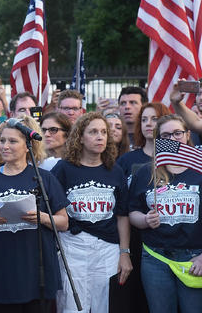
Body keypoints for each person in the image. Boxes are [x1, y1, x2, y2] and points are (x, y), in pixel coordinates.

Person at [0, 115, 69, 313]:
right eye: (2, 141)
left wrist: (43, 217)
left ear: (27, 145)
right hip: (1, 271)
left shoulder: (44, 178)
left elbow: (64, 222)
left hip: (37, 272)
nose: (5, 146)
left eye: (12, 141)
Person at [51, 112, 132, 313]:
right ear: (80, 137)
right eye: (93, 132)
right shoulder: (63, 169)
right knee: (71, 306)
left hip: (107, 249)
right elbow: (52, 208)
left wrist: (124, 253)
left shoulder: (115, 170)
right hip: (72, 246)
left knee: (103, 306)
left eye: (104, 132)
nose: (100, 137)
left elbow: (122, 215)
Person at [129, 115, 202, 313]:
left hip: (194, 259)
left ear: (187, 135)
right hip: (155, 258)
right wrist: (144, 220)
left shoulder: (199, 170)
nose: (172, 138)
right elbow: (132, 211)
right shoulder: (146, 172)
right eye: (166, 135)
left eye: (177, 133)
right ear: (158, 140)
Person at [117, 102, 170, 183]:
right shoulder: (126, 160)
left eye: (154, 119)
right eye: (144, 120)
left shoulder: (174, 160)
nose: (148, 123)